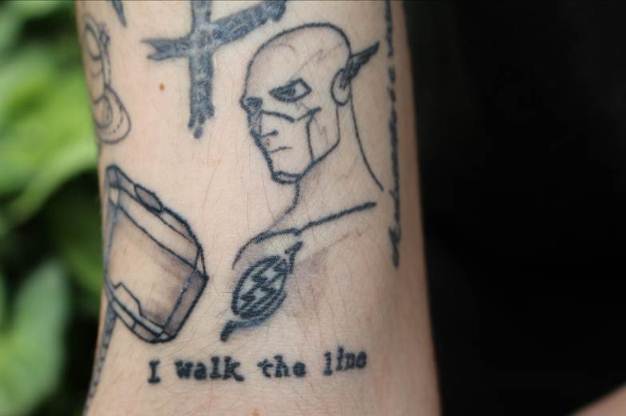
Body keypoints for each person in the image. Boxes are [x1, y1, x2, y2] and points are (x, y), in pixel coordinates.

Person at [77, 1, 438, 414]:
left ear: (341, 86)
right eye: (254, 108)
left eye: (289, 94)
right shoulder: (263, 247)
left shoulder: (359, 230)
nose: (265, 126)